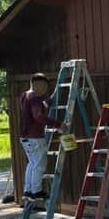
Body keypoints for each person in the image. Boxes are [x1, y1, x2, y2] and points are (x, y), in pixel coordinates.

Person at [19, 73, 63, 201]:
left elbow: (37, 107)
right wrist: (58, 124)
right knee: (39, 166)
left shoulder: (25, 96)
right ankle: (36, 192)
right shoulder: (35, 98)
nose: (45, 90)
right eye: (44, 87)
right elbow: (38, 116)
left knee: (32, 164)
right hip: (35, 138)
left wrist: (47, 102)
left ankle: (27, 191)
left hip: (25, 137)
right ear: (38, 85)